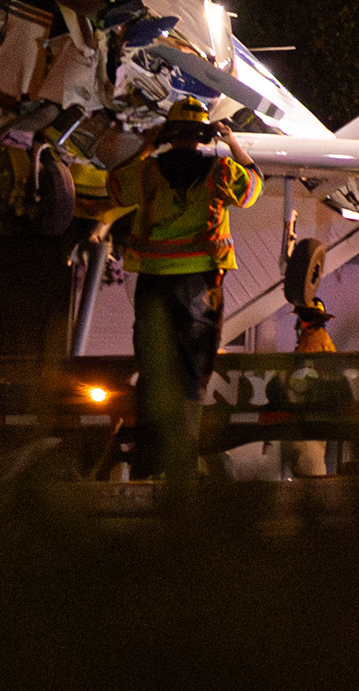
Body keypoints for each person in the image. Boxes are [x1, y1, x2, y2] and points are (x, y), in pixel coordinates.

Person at [102, 98, 259, 478]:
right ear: (204, 134)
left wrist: (145, 146)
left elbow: (115, 189)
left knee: (154, 372)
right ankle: (181, 465)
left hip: (154, 283)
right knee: (191, 374)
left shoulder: (148, 171)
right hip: (200, 286)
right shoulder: (221, 170)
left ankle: (147, 465)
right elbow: (253, 188)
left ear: (169, 134)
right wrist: (234, 142)